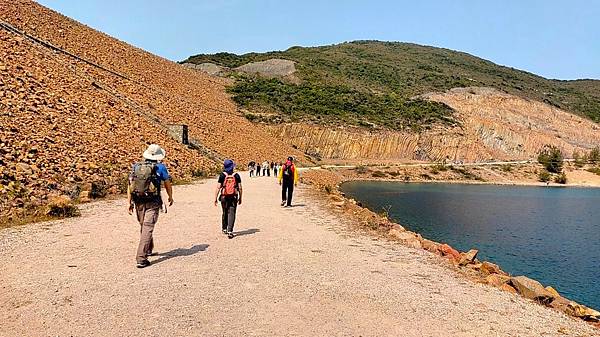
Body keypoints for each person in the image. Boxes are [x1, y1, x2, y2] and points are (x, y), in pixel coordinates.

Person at [128, 144, 174, 268]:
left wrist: (129, 202)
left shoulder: (136, 166)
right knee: (148, 227)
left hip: (138, 200)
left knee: (144, 225)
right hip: (153, 201)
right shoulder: (161, 167)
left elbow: (130, 184)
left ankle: (148, 249)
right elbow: (167, 183)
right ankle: (141, 258)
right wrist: (170, 196)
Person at [214, 159, 242, 239]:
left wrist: (215, 198)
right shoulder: (236, 175)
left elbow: (218, 187)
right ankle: (230, 231)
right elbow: (240, 188)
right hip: (233, 196)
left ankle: (224, 228)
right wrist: (240, 197)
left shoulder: (222, 175)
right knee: (232, 212)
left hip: (223, 196)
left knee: (225, 211)